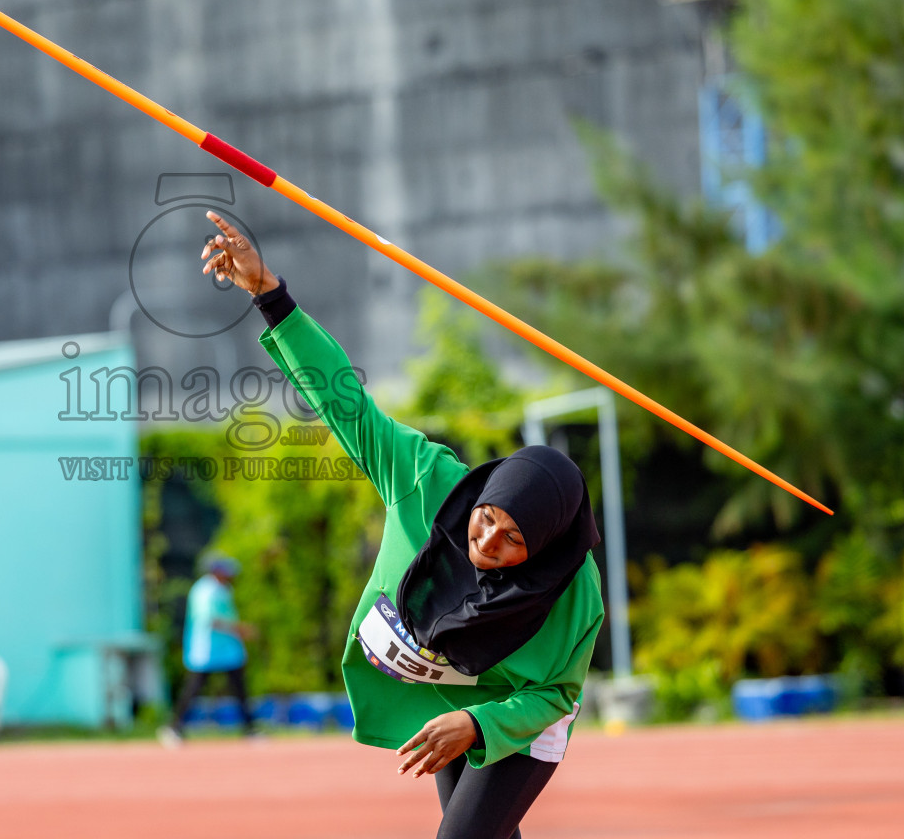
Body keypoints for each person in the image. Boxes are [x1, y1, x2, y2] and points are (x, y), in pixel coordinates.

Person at [198, 212, 604, 839]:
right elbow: (345, 405)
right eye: (488, 518)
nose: (487, 543)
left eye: (515, 540)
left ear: (547, 544)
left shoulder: (576, 594)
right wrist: (268, 294)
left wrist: (478, 725)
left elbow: (555, 694)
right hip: (446, 690)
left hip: (518, 715)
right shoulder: (422, 480)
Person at [159, 554, 256, 746]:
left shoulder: (223, 589)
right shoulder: (205, 591)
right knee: (193, 690)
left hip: (228, 649)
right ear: (216, 570)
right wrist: (239, 629)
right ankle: (173, 728)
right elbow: (211, 620)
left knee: (240, 688)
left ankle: (250, 729)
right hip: (206, 649)